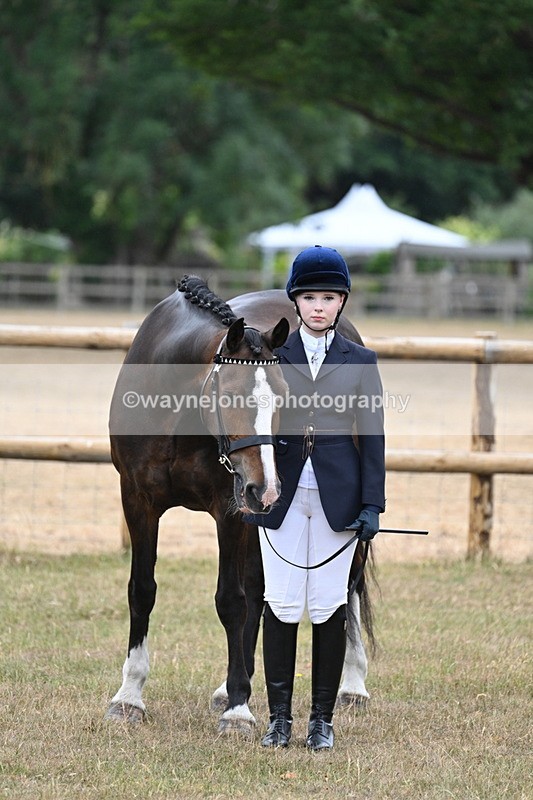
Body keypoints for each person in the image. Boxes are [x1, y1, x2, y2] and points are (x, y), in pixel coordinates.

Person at [245, 245, 386, 751]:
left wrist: (373, 503)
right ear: (296, 302)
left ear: (341, 302)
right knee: (280, 603)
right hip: (280, 494)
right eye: (310, 297)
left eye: (329, 297)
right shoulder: (271, 355)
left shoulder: (361, 361)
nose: (319, 306)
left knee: (327, 604)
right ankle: (279, 718)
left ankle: (320, 720)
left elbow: (372, 436)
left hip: (338, 495)